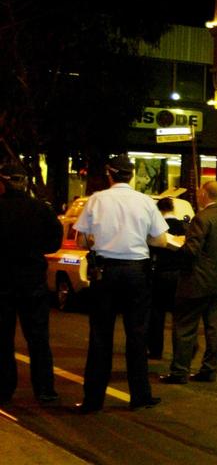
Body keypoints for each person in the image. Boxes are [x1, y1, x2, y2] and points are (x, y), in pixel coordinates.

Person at [73, 155, 168, 413]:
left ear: (109, 174)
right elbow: (160, 240)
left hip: (105, 272)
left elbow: (81, 241)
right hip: (137, 272)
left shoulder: (96, 199)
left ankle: (93, 400)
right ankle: (140, 396)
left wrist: (101, 241)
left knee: (100, 336)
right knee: (137, 335)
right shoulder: (146, 201)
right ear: (132, 175)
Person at [161, 181, 217, 384]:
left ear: (205, 194)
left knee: (185, 326)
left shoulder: (201, 218)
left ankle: (179, 371)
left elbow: (192, 250)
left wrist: (174, 246)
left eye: (199, 193)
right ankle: (210, 369)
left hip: (197, 280)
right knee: (214, 326)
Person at [0, 163, 63, 406]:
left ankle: (5, 389)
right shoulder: (41, 210)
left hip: (3, 282)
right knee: (38, 338)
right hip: (32, 281)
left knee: (3, 338)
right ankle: (45, 389)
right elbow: (53, 242)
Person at [147, 197, 188, 360]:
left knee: (157, 314)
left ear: (159, 211)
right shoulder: (183, 226)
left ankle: (156, 349)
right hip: (179, 274)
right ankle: (183, 350)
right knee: (180, 315)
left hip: (160, 274)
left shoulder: (156, 228)